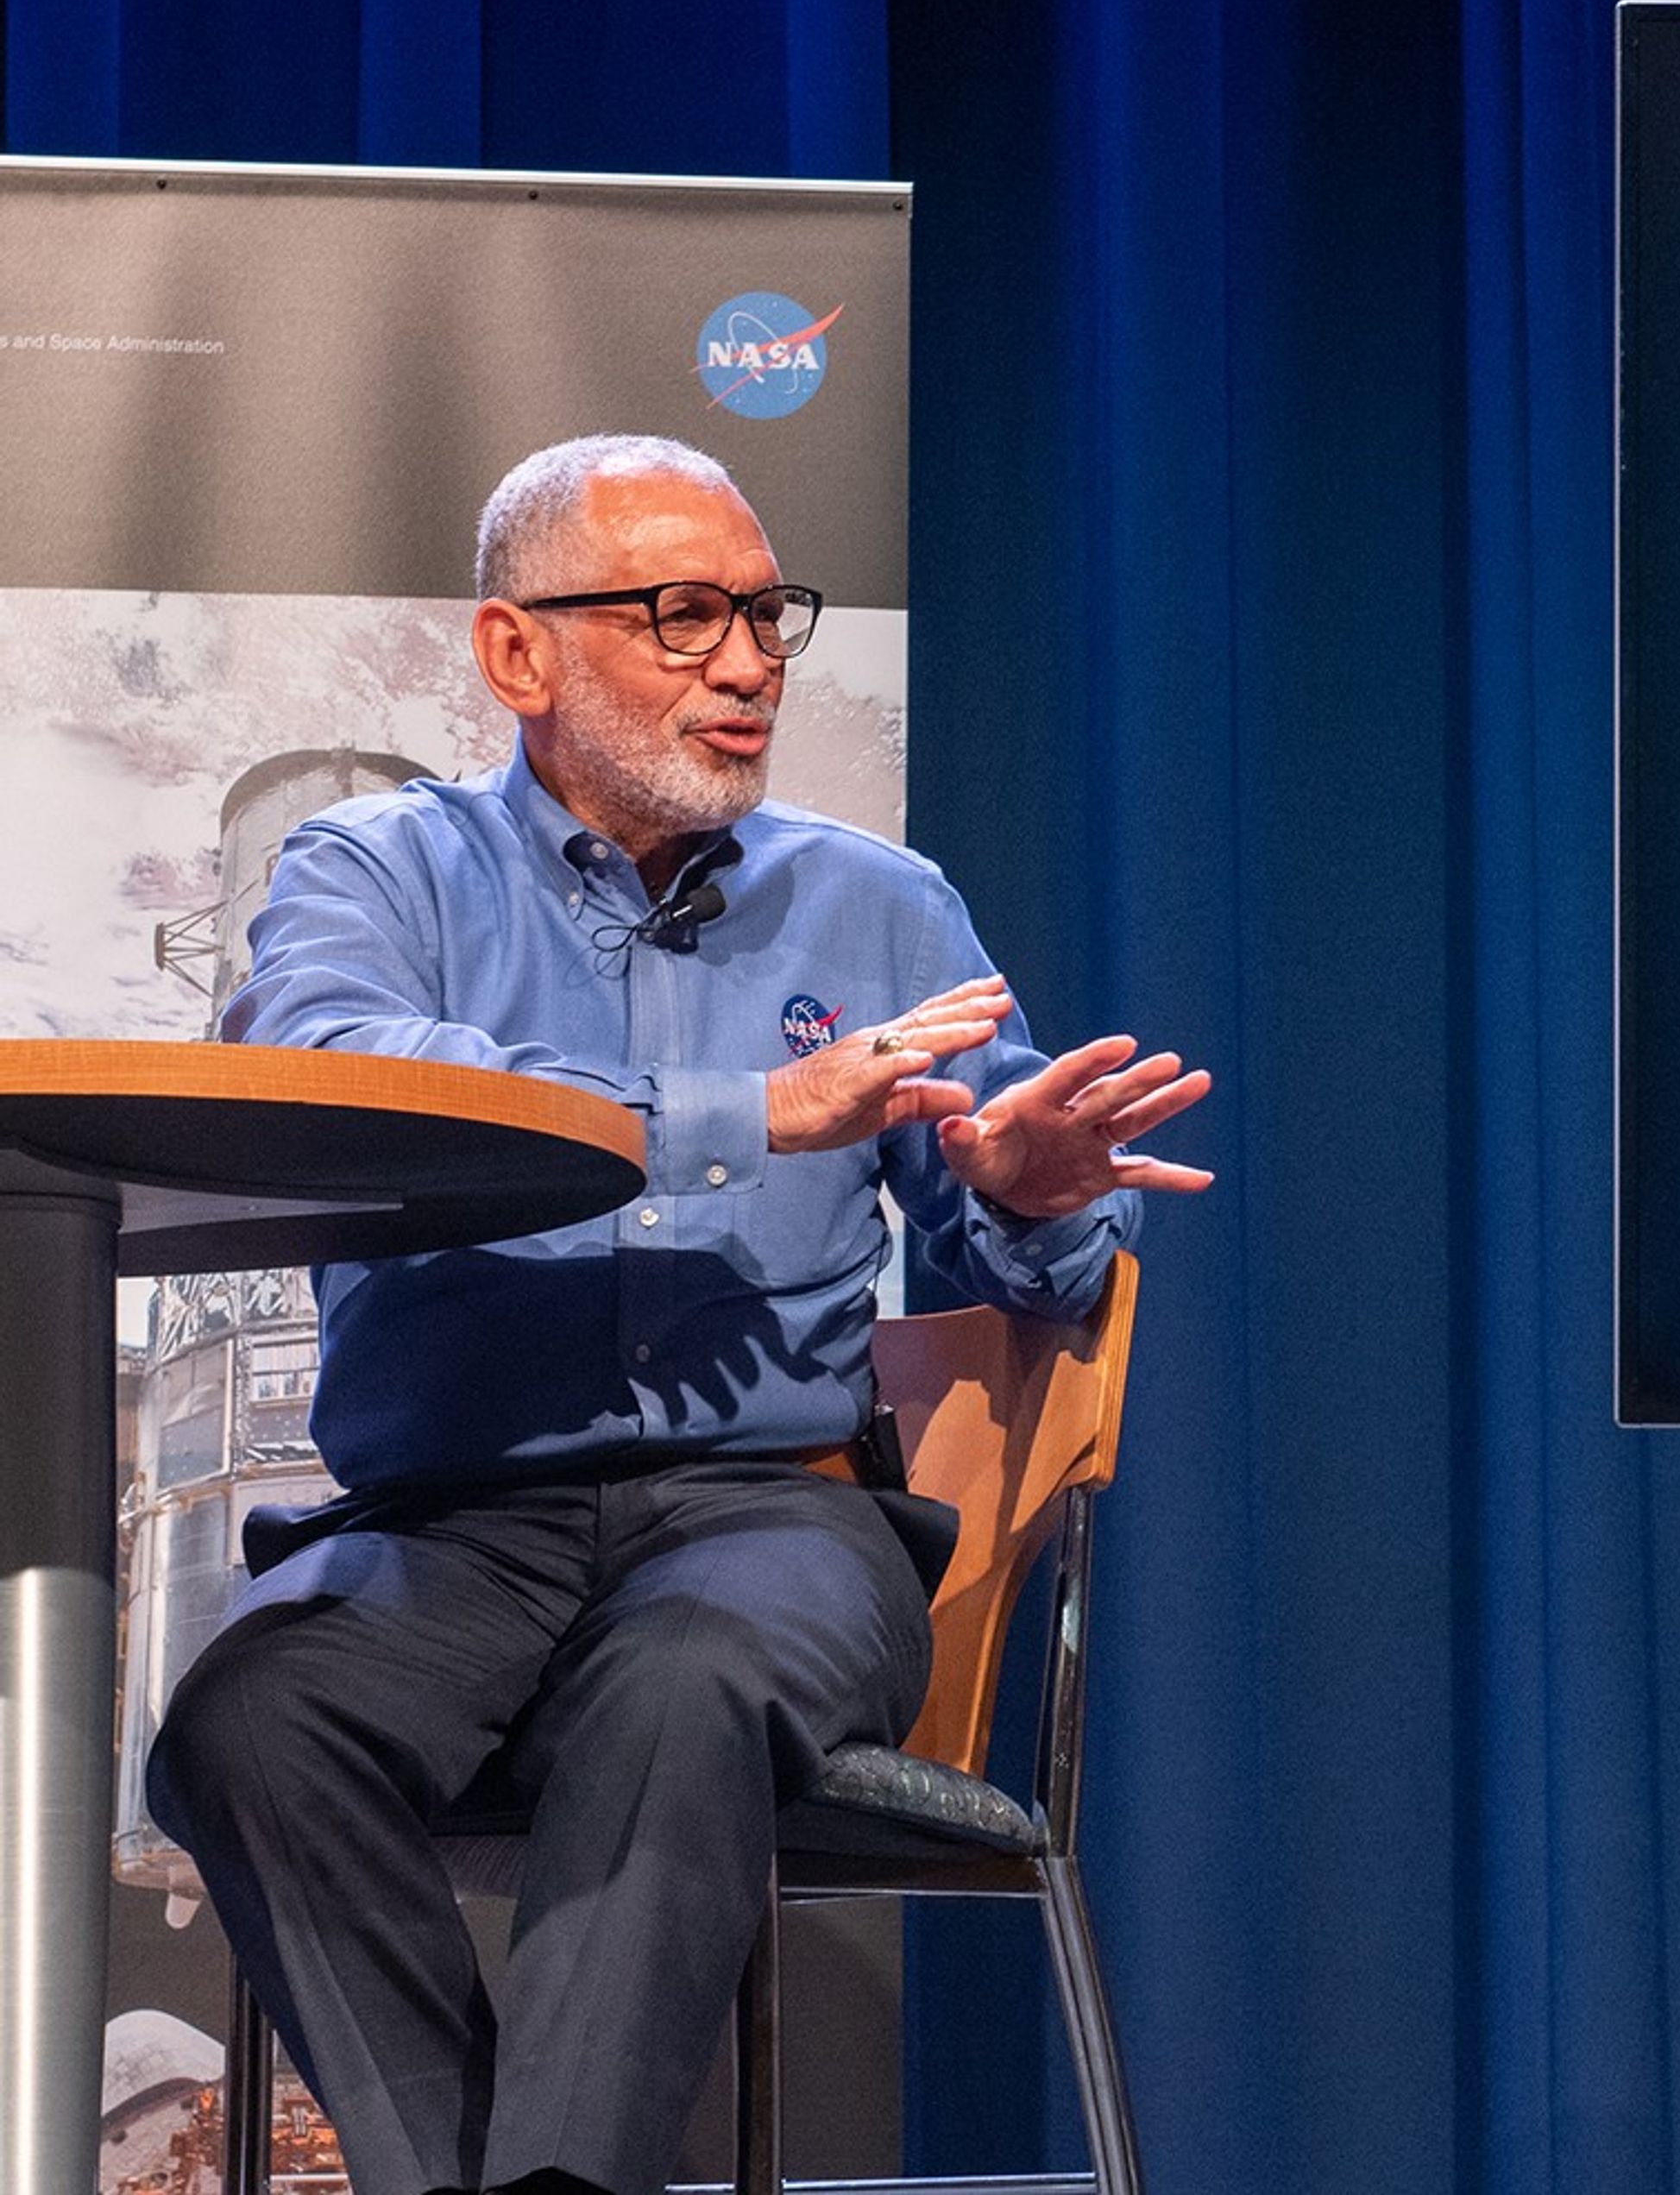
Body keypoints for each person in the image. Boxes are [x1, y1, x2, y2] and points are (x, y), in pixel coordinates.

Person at [144, 433, 1211, 2195]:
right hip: (445, 1530)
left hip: (772, 1522)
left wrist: (1027, 1189)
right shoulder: (377, 874)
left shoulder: (880, 902)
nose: (745, 665)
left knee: (686, 1685)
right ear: (516, 654)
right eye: (680, 615)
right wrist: (748, 1114)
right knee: (246, 1726)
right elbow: (336, 1069)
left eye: (764, 618)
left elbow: (1028, 1247)